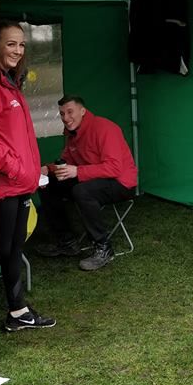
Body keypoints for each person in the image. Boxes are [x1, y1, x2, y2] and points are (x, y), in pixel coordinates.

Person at [0, 21, 55, 331]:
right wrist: (15, 168)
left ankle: (17, 313)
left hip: (21, 185)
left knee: (12, 248)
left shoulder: (11, 82)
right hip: (5, 186)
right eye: (11, 44)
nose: (18, 50)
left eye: (22, 45)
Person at [37, 95, 138, 271]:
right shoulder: (71, 133)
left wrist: (77, 171)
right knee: (48, 183)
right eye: (62, 114)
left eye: (70, 112)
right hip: (92, 178)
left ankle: (104, 247)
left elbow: (114, 168)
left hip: (121, 182)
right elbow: (66, 160)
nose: (66, 118)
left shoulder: (105, 128)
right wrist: (48, 169)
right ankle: (67, 241)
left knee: (82, 190)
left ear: (83, 111)